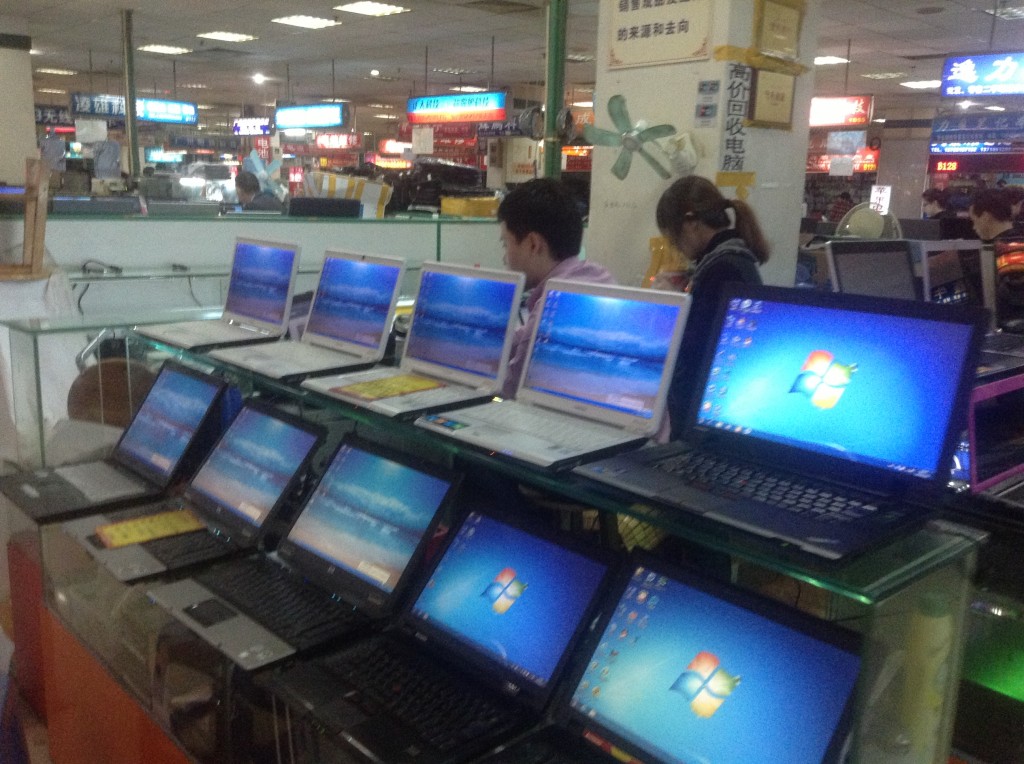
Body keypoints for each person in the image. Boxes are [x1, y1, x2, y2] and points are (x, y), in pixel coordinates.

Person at [655, 175, 770, 439]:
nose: (675, 247)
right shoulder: (730, 260)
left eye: (673, 237)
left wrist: (675, 303)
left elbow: (697, 346)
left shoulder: (723, 269)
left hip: (708, 413)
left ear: (691, 222)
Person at [497, 177, 615, 398]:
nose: (505, 257)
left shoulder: (553, 306)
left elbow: (511, 388)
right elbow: (522, 337)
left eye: (506, 244)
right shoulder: (596, 276)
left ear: (533, 244)